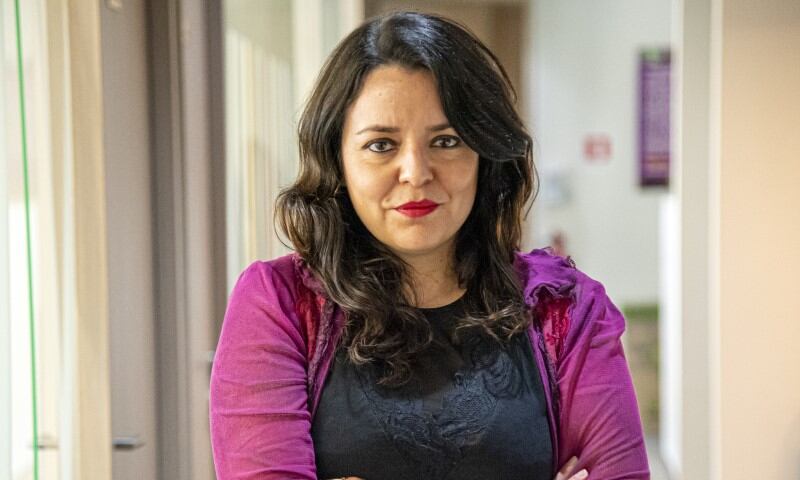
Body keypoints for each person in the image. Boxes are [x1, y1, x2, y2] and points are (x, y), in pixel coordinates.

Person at [209, 10, 650, 480]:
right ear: (337, 159)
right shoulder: (279, 305)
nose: (416, 173)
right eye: (381, 145)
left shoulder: (566, 310)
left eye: (447, 140)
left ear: (484, 155)